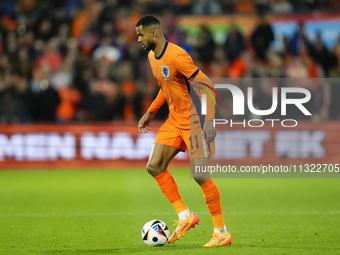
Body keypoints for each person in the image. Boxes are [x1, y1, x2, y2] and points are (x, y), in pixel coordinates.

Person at [136, 15, 231, 247]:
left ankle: (221, 232)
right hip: (174, 120)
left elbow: (206, 84)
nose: (138, 39)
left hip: (195, 120)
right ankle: (185, 215)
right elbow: (165, 86)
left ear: (154, 33)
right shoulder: (152, 57)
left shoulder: (177, 55)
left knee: (199, 175)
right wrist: (150, 111)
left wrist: (210, 122)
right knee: (154, 167)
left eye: (141, 34)